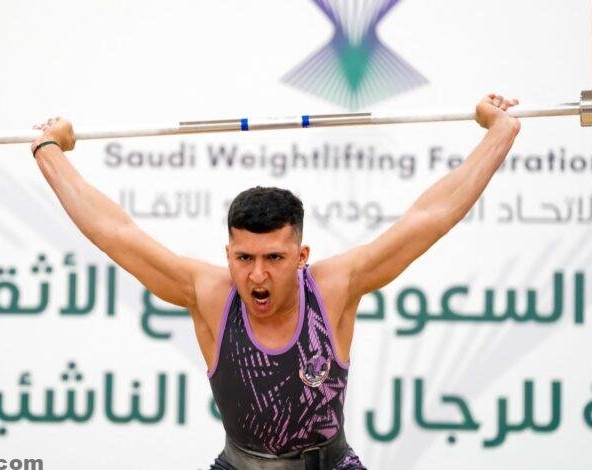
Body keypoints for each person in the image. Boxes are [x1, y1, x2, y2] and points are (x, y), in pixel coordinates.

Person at [31, 94, 520, 469]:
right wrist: (49, 149)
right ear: (228, 254)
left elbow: (430, 217)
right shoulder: (208, 294)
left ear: (302, 256)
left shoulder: (334, 288)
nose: (257, 274)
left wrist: (501, 131)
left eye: (274, 258)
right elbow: (115, 232)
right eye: (243, 258)